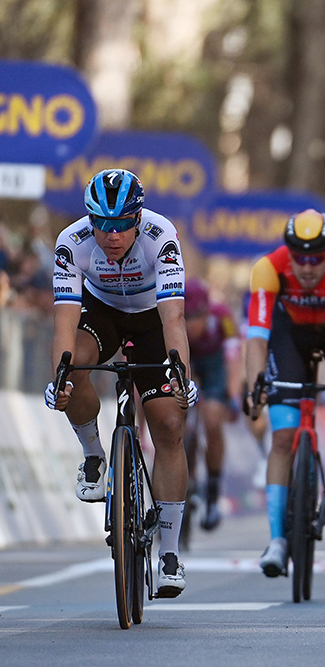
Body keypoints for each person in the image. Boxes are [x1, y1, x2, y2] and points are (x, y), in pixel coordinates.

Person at [45, 168, 198, 598]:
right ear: (90, 221)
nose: (112, 235)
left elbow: (174, 317)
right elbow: (63, 319)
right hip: (101, 313)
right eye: (102, 224)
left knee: (168, 425)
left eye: (122, 223)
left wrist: (180, 374)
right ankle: (94, 456)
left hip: (153, 320)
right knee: (71, 368)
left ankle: (169, 554)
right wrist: (60, 375)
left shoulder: (160, 236)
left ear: (138, 217)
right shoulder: (71, 244)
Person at [245, 209, 325, 576]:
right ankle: (277, 541)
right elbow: (257, 336)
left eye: (315, 259)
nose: (306, 268)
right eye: (299, 258)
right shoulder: (267, 269)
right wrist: (255, 384)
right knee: (283, 435)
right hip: (289, 337)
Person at [184, 278, 242, 530]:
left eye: (195, 316)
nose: (189, 324)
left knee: (212, 420)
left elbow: (233, 361)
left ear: (207, 312)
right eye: (184, 317)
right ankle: (185, 478)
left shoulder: (223, 318)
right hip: (187, 361)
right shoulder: (174, 320)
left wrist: (233, 396)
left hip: (215, 365)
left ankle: (212, 491)